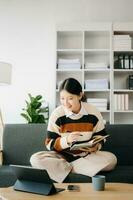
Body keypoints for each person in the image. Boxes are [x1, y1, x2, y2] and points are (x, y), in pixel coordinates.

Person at [30, 77, 117, 183]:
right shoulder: (57, 114)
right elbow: (49, 143)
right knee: (35, 159)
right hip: (61, 157)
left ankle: (64, 170)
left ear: (80, 95)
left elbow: (101, 135)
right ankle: (76, 168)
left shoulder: (93, 111)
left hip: (87, 156)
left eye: (70, 98)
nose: (65, 103)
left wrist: (96, 146)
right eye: (62, 98)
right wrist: (66, 141)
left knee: (111, 159)